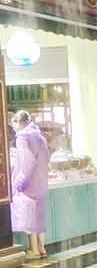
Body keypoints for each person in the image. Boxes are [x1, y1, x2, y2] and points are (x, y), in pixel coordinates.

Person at [10, 110, 50, 258]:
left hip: (29, 184)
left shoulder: (22, 138)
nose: (12, 126)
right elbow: (46, 159)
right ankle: (42, 248)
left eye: (14, 122)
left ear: (20, 122)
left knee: (29, 215)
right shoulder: (40, 137)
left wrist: (18, 183)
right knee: (39, 214)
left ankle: (34, 249)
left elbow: (27, 163)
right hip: (41, 183)